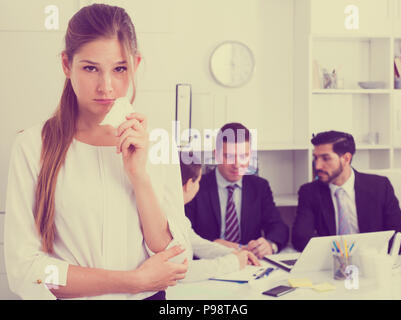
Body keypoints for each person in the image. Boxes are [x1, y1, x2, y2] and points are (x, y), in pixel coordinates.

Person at [4, 4, 188, 300]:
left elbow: (173, 256)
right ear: (66, 64)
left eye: (119, 69)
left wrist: (139, 176)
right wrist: (133, 281)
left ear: (136, 64)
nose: (106, 86)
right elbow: (27, 270)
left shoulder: (158, 144)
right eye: (90, 68)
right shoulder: (31, 146)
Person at [185, 123, 289, 259]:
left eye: (243, 156)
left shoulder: (259, 187)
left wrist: (269, 245)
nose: (237, 164)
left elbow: (279, 227)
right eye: (229, 156)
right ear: (216, 155)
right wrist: (213, 246)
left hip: (249, 264)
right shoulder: (196, 186)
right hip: (210, 263)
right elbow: (186, 235)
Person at [292, 130, 401, 253]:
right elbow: (300, 239)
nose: (318, 166)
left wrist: (363, 255)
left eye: (326, 158)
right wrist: (341, 255)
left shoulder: (380, 186)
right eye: (316, 158)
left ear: (346, 158)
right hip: (332, 263)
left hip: (371, 261)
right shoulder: (309, 192)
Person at [178, 154, 259, 282]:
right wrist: (234, 262)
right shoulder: (165, 218)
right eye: (198, 182)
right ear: (189, 185)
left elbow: (199, 244)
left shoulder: (177, 216)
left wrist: (235, 253)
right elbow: (180, 271)